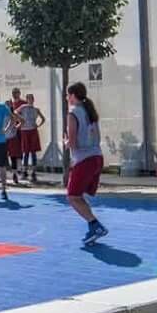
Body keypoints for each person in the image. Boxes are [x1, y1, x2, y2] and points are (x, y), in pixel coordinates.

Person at [64, 82, 107, 244]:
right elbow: (95, 137)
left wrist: (67, 143)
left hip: (85, 159)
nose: (66, 98)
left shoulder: (73, 113)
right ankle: (92, 225)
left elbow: (74, 142)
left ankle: (95, 225)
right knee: (78, 195)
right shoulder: (90, 112)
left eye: (68, 95)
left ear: (73, 95)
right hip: (97, 157)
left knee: (72, 197)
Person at [16, 94, 46, 185]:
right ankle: (24, 171)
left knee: (33, 152)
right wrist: (21, 120)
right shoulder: (23, 107)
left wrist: (38, 125)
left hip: (33, 131)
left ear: (33, 100)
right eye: (28, 99)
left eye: (31, 99)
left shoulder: (36, 109)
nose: (30, 100)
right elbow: (15, 112)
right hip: (25, 130)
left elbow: (43, 118)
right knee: (25, 151)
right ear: (26, 100)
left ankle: (33, 172)